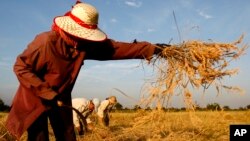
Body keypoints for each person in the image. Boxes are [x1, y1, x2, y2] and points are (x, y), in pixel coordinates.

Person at [5, 1, 167, 141]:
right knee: (39, 137)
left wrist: (153, 49)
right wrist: (47, 93)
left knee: (67, 135)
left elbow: (116, 48)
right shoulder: (45, 42)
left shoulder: (83, 46)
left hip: (61, 98)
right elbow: (21, 66)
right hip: (35, 97)